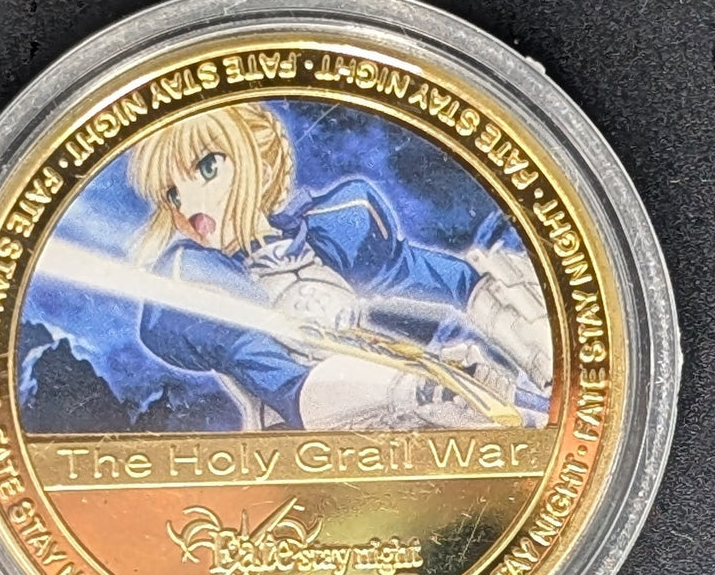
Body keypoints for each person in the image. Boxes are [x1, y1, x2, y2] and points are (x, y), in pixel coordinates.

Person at [127, 102, 551, 430]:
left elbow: (454, 281)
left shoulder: (333, 232)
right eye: (173, 194)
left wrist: (527, 346)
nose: (190, 205)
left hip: (403, 421)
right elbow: (289, 390)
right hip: (308, 448)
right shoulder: (205, 282)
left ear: (263, 163)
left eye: (207, 167)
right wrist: (416, 388)